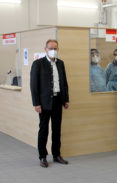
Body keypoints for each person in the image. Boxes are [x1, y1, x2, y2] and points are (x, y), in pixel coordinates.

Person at [30, 39, 69, 168]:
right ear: (45, 49)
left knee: (57, 130)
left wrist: (66, 99)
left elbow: (64, 83)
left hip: (58, 101)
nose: (53, 51)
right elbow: (34, 86)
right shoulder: (38, 64)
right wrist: (36, 103)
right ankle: (42, 156)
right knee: (44, 130)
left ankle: (56, 155)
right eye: (51, 48)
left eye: (55, 48)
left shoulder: (60, 63)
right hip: (44, 102)